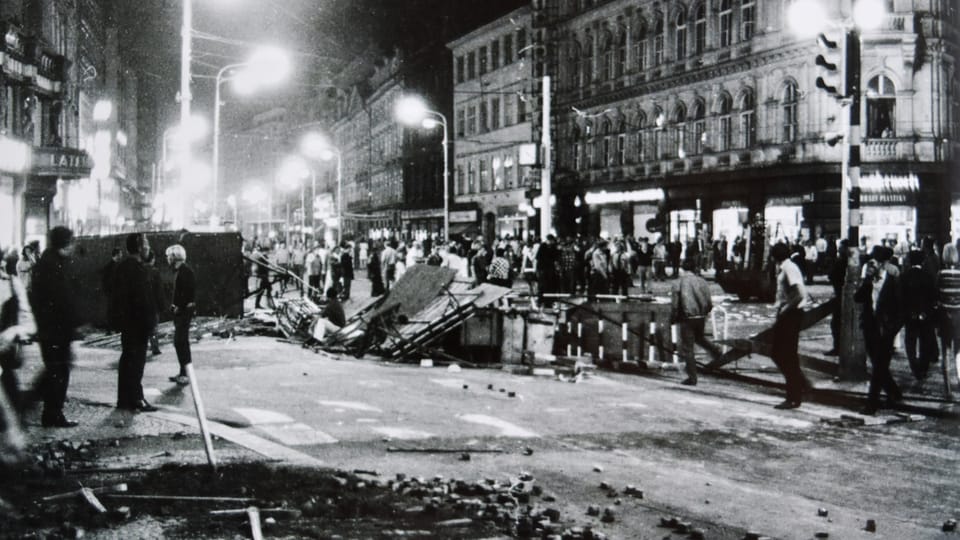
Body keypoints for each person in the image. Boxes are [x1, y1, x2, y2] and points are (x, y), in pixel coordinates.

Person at [31, 227, 83, 427]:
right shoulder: (54, 266)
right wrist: (75, 323)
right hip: (56, 330)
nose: (74, 245)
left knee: (55, 370)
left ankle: (45, 410)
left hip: (50, 329)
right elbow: (63, 299)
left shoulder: (48, 263)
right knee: (58, 372)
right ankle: (49, 412)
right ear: (65, 243)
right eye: (71, 241)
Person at [111, 233, 159, 413]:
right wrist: (151, 322)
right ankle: (136, 398)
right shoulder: (138, 269)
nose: (148, 247)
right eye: (146, 243)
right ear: (139, 247)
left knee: (127, 360)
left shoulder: (122, 267)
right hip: (137, 324)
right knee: (136, 362)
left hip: (127, 323)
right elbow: (143, 300)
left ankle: (124, 399)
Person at [854, 246, 904, 415]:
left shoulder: (893, 281)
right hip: (870, 328)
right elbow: (858, 298)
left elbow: (900, 310)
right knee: (878, 365)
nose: (872, 265)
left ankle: (871, 404)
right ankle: (894, 392)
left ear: (883, 264)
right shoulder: (870, 281)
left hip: (886, 331)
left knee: (878, 369)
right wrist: (867, 280)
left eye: (875, 262)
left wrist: (892, 330)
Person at [770, 242, 811, 410]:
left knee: (784, 354)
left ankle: (794, 395)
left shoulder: (789, 268)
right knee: (780, 353)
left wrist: (786, 308)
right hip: (788, 314)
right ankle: (798, 385)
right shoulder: (786, 267)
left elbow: (801, 293)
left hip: (791, 315)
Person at [671, 259, 723, 386]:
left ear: (682, 269)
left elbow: (675, 304)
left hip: (687, 318)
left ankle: (692, 377)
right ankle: (715, 350)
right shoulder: (702, 281)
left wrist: (673, 317)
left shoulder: (678, 282)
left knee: (688, 348)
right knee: (699, 337)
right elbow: (709, 302)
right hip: (700, 317)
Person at [0, 246, 36, 420]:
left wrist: (14, 331)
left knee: (12, 418)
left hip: (5, 361)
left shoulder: (13, 285)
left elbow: (29, 324)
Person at [900, 249, 938, 384]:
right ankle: (923, 368)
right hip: (925, 315)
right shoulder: (928, 276)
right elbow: (933, 297)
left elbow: (901, 298)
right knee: (925, 341)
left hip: (910, 315)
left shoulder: (904, 276)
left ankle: (914, 367)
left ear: (910, 261)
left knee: (910, 342)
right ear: (922, 261)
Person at [165, 244, 195, 386]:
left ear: (174, 256)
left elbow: (189, 294)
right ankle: (184, 372)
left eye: (168, 256)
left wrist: (179, 306)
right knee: (180, 342)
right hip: (181, 311)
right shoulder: (180, 271)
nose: (167, 259)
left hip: (183, 312)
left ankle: (186, 373)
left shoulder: (185, 272)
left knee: (180, 342)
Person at [937, 243, 960, 387]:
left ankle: (948, 387)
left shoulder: (940, 274)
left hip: (945, 317)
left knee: (945, 352)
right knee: (959, 352)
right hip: (959, 316)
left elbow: (936, 295)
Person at [826, 239, 850, 355]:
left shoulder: (840, 262)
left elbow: (831, 275)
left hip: (840, 294)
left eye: (841, 247)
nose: (839, 249)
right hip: (844, 294)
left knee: (836, 323)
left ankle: (838, 348)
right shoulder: (852, 261)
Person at [143, 248, 163, 356]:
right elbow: (159, 290)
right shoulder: (155, 271)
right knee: (154, 327)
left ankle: (143, 347)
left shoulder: (140, 270)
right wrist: (161, 305)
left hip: (141, 304)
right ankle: (155, 347)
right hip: (153, 304)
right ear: (153, 259)